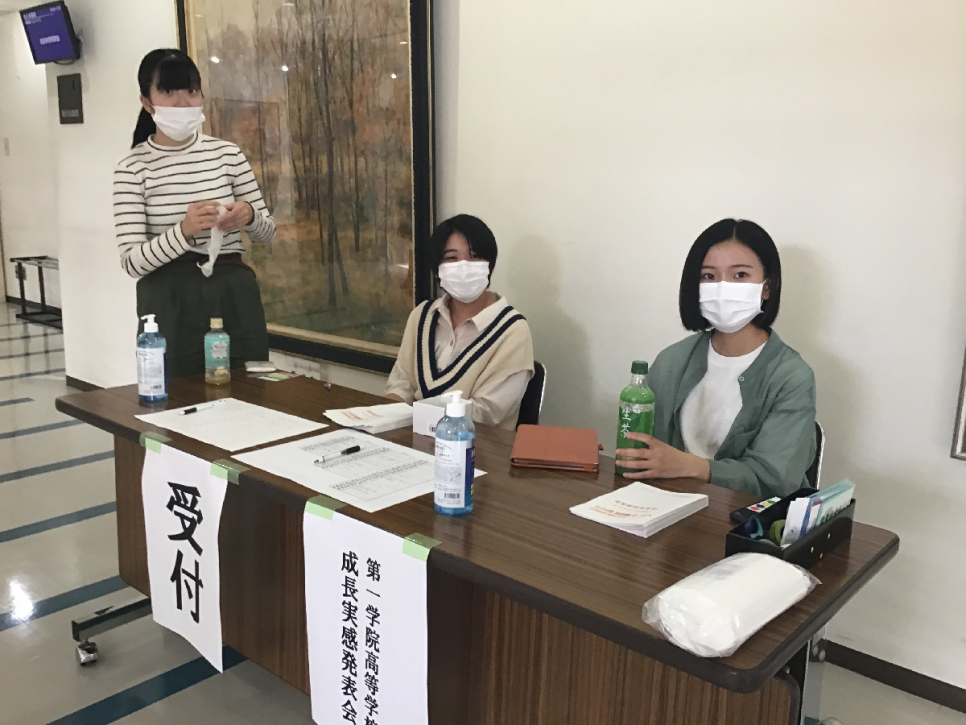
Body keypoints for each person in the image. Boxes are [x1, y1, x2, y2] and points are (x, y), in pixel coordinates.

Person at [616, 219, 816, 497]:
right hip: (665, 505)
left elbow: (775, 479)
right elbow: (643, 450)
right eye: (709, 276)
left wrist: (691, 466)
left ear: (767, 287)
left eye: (740, 275)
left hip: (741, 516)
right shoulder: (672, 360)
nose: (723, 288)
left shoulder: (791, 377)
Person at [113, 48, 275, 378]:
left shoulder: (228, 154)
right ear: (147, 102)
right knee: (178, 396)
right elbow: (132, 262)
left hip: (233, 294)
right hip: (169, 301)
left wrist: (248, 215)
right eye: (168, 92)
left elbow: (267, 233)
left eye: (190, 91)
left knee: (251, 389)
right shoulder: (132, 168)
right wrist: (184, 231)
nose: (182, 102)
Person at [386, 215, 534, 429]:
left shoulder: (513, 331)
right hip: (412, 439)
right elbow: (401, 385)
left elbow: (487, 413)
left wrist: (419, 420)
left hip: (476, 445)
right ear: (437, 268)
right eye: (451, 258)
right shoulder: (422, 315)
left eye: (474, 256)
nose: (464, 266)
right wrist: (381, 419)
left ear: (489, 264)